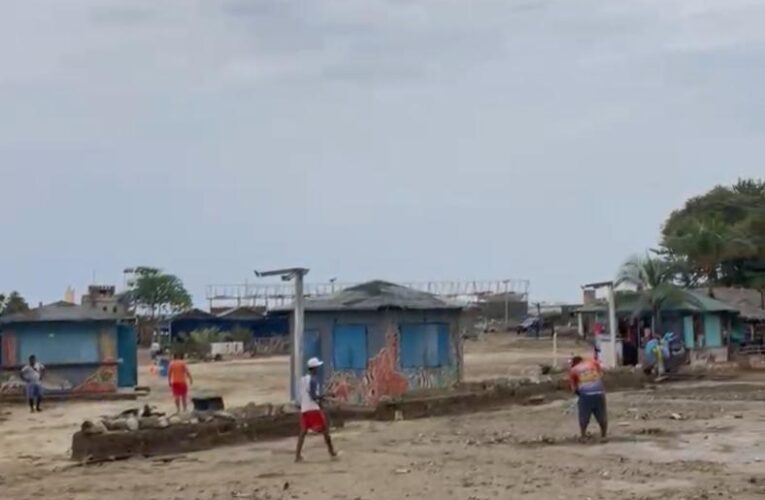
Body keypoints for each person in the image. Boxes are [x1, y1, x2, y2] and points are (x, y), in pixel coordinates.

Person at [295, 357, 338, 462]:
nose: (318, 369)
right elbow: (314, 396)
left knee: (303, 432)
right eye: (317, 367)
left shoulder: (303, 380)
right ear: (314, 368)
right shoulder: (313, 380)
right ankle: (332, 452)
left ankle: (297, 455)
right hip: (313, 409)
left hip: (304, 409)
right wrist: (327, 395)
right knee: (325, 430)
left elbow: (301, 396)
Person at [569, 355, 607, 441]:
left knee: (584, 416)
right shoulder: (592, 362)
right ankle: (604, 435)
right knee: (602, 415)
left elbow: (573, 388)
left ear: (574, 363)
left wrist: (579, 393)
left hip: (586, 395)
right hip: (600, 393)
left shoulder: (573, 370)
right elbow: (601, 372)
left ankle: (583, 436)